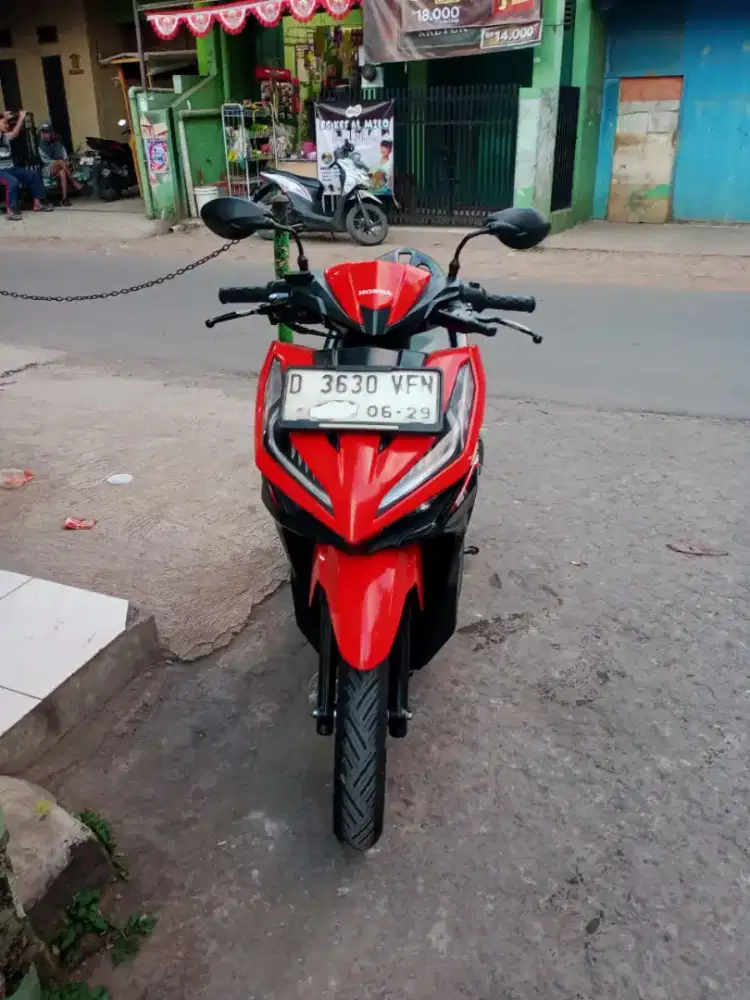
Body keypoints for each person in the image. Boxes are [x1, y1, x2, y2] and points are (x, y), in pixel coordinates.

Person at [0, 111, 53, 221]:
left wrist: (18, 119)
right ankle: (11, 211)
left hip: (11, 168)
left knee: (33, 174)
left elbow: (14, 133)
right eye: (4, 123)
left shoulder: (5, 136)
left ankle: (37, 203)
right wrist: (16, 118)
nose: (7, 125)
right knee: (12, 182)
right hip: (1, 171)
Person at [38, 122, 84, 206]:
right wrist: (59, 162)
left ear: (52, 134)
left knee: (62, 172)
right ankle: (74, 182)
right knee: (60, 162)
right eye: (44, 133)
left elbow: (65, 158)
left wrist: (64, 162)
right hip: (46, 169)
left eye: (47, 133)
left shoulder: (58, 144)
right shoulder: (40, 146)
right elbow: (45, 161)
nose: (46, 135)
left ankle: (64, 198)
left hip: (60, 167)